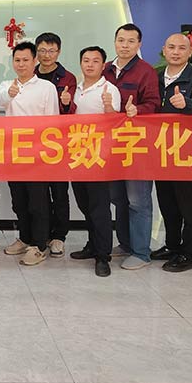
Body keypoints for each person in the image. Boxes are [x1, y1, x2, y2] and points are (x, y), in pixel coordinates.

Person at [151, 33, 192, 273]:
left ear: (190, 52)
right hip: (161, 151)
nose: (176, 52)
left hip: (188, 152)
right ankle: (172, 245)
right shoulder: (155, 77)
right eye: (172, 47)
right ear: (164, 50)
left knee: (190, 205)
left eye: (181, 48)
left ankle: (187, 253)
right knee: (167, 203)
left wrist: (187, 104)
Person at [0, 41, 59, 266]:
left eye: (25, 60)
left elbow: (53, 121)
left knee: (38, 201)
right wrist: (9, 94)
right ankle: (24, 237)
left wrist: (46, 152)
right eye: (17, 60)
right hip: (14, 152)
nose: (21, 64)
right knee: (19, 200)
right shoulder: (6, 84)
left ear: (35, 61)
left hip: (38, 154)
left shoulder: (46, 87)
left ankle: (39, 245)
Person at [104, 23, 161, 270]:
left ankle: (141, 252)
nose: (125, 45)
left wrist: (138, 110)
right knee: (118, 197)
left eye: (130, 41)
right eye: (121, 40)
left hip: (137, 145)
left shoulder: (146, 71)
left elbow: (154, 103)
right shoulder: (106, 69)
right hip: (112, 146)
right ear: (115, 42)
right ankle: (126, 243)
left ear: (139, 44)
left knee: (138, 200)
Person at [67, 46, 121, 276]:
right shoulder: (76, 89)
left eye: (95, 61)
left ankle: (103, 256)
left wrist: (108, 107)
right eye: (86, 60)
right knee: (84, 204)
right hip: (77, 154)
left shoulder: (110, 89)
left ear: (103, 65)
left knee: (99, 208)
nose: (90, 65)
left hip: (99, 157)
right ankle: (92, 245)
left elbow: (116, 122)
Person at [34, 32, 77, 258]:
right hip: (34, 144)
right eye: (42, 50)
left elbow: (71, 112)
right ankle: (42, 233)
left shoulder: (67, 78)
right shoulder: (29, 74)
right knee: (39, 193)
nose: (46, 55)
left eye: (51, 51)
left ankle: (59, 236)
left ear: (58, 52)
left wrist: (66, 104)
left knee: (59, 191)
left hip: (59, 143)